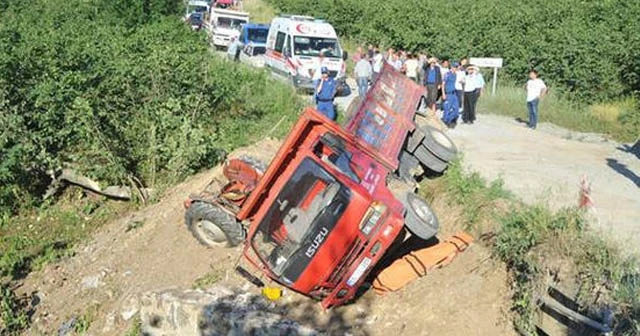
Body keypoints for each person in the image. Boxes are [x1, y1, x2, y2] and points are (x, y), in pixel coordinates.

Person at [441, 64, 459, 128]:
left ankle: (447, 120)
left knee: (456, 111)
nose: (455, 68)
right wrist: (443, 94)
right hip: (448, 94)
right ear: (451, 67)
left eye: (456, 67)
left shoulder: (455, 75)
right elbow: (443, 84)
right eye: (454, 67)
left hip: (454, 94)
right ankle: (445, 122)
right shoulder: (447, 74)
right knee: (447, 109)